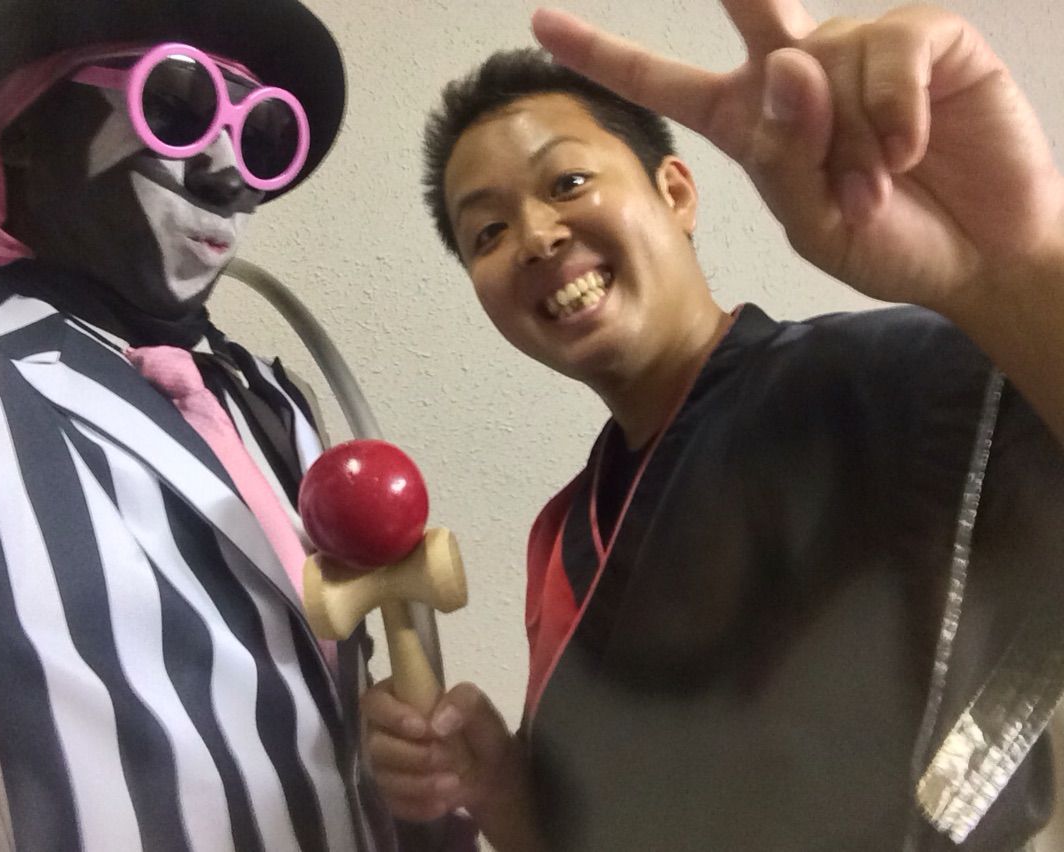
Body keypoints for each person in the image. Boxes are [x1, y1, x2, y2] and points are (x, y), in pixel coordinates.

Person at [362, 1, 1064, 849]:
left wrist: (1016, 264)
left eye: (567, 183)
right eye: (488, 231)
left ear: (675, 192)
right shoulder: (562, 540)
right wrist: (503, 791)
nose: (537, 237)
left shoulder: (882, 383)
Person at [0, 0, 475, 849]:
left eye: (262, 138)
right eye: (175, 108)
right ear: (27, 132)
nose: (230, 175)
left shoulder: (271, 400)